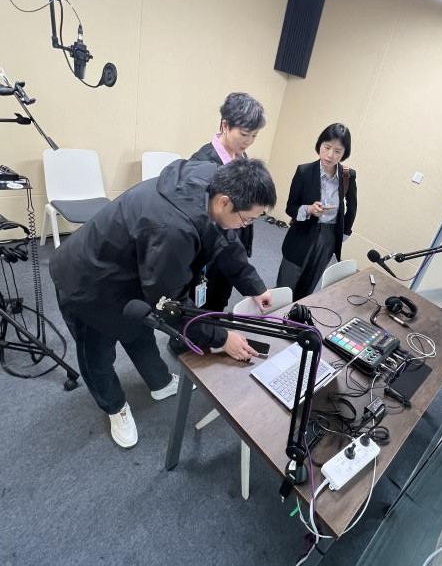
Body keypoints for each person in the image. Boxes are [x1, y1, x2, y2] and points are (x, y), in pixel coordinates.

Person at [50, 157, 276, 449]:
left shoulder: (214, 181)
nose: (246, 225)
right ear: (224, 202)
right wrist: (221, 338)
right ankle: (114, 406)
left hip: (131, 270)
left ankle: (159, 382)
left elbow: (226, 238)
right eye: (248, 219)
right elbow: (171, 306)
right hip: (87, 283)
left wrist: (254, 286)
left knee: (139, 329)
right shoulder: (173, 230)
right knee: (97, 354)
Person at [190, 91, 266, 311]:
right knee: (201, 302)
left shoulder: (241, 158)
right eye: (244, 134)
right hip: (212, 246)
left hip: (233, 241)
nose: (248, 141)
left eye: (254, 136)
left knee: (221, 297)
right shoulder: (201, 164)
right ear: (225, 125)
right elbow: (201, 223)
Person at [277, 123, 357, 301]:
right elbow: (291, 207)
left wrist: (343, 233)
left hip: (329, 237)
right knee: (287, 281)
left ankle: (296, 314)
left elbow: (352, 207)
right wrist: (309, 209)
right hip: (302, 232)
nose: (330, 155)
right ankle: (276, 313)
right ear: (319, 145)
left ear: (344, 153)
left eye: (337, 151)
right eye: (327, 147)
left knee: (310, 282)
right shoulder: (304, 171)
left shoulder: (347, 175)